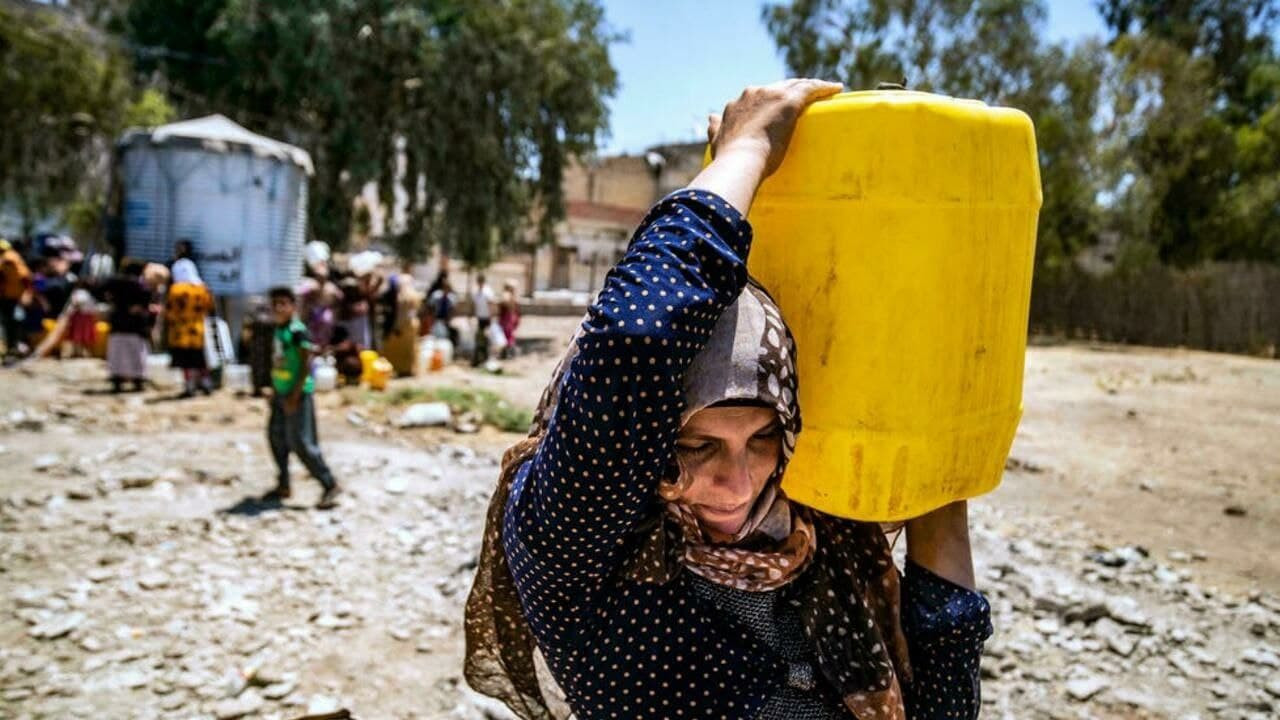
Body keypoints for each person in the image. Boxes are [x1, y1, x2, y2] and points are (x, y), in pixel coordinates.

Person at [465, 80, 992, 720]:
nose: (738, 483)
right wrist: (746, 150)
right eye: (696, 445)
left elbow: (944, 664)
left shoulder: (821, 532)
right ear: (642, 437)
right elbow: (634, 342)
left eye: (764, 438)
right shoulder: (580, 556)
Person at [263, 286, 341, 509]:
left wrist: (295, 395)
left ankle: (329, 484)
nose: (278, 308)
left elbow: (306, 363)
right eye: (275, 304)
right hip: (280, 392)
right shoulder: (278, 330)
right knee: (276, 438)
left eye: (283, 303)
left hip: (297, 394)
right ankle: (283, 484)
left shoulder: (298, 331)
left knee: (301, 442)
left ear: (292, 306)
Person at [166, 258, 214, 396]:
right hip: (199, 330)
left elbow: (170, 311)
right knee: (201, 360)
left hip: (180, 332)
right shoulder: (203, 288)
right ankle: (206, 383)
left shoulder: (176, 289)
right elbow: (210, 307)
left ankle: (190, 386)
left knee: (186, 362)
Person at [103, 260, 154, 392]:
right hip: (135, 325)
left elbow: (103, 292)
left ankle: (117, 380)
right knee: (136, 353)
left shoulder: (114, 282)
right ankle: (138, 380)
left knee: (117, 353)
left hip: (118, 323)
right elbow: (146, 301)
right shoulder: (141, 285)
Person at [0, 238, 32, 358]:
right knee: (12, 323)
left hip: (12, 297)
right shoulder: (11, 258)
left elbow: (24, 276)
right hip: (11, 296)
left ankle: (13, 348)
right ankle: (12, 348)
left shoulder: (9, 259)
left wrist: (27, 293)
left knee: (12, 323)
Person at [470, 273, 496, 366]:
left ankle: (486, 357)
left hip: (486, 318)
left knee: (486, 337)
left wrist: (491, 317)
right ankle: (479, 358)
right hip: (479, 318)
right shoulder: (476, 292)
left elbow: (491, 305)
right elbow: (474, 305)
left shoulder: (487, 292)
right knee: (479, 338)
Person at [497, 281, 521, 359]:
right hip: (507, 318)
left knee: (508, 335)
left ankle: (508, 353)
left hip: (509, 318)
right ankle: (508, 353)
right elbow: (508, 305)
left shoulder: (508, 296)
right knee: (507, 336)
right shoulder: (507, 295)